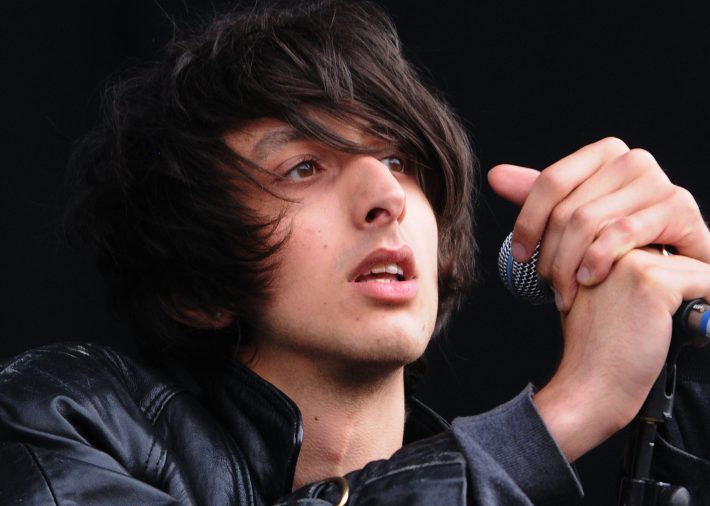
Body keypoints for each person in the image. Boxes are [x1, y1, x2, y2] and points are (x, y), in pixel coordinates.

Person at [1, 0, 709, 504]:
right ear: (194, 288)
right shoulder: (53, 415)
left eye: (400, 160)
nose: (387, 195)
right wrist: (561, 418)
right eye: (303, 167)